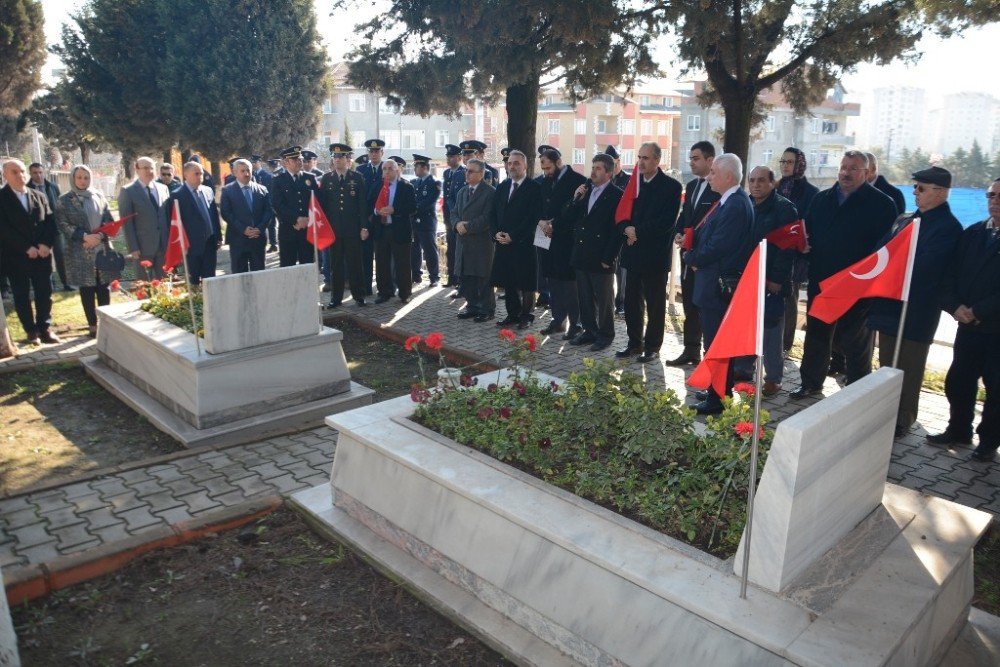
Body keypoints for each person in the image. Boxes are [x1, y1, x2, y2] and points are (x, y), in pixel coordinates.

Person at [790, 151, 898, 398]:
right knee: (817, 335)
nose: (846, 173)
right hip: (823, 281)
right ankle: (810, 383)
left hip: (856, 286)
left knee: (856, 340)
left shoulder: (881, 204)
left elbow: (884, 249)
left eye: (854, 168)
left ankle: (858, 391)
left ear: (866, 173)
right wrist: (805, 245)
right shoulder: (822, 199)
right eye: (843, 167)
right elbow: (809, 232)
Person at [869, 167, 963, 437]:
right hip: (890, 306)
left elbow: (928, 267)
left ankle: (903, 418)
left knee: (908, 368)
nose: (915, 192)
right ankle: (885, 411)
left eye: (921, 188)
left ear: (941, 193)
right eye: (915, 187)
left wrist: (894, 271)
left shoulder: (948, 227)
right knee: (887, 363)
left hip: (917, 311)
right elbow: (882, 250)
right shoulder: (906, 219)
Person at [931, 178, 1000, 462]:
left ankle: (989, 441)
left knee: (996, 389)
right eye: (991, 194)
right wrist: (955, 306)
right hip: (967, 326)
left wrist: (979, 310)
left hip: (995, 329)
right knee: (959, 380)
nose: (994, 200)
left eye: (999, 196)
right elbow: (949, 275)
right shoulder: (972, 233)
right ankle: (959, 429)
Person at [684, 154, 755, 414]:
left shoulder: (736, 204)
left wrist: (692, 257)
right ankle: (716, 390)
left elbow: (718, 245)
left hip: (717, 285)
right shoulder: (728, 201)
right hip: (712, 282)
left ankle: (718, 399)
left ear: (728, 176)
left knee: (716, 344)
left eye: (713, 172)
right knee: (713, 343)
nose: (709, 176)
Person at [615, 142, 683, 363]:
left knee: (655, 304)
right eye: (639, 157)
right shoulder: (632, 184)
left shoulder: (671, 187)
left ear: (657, 160)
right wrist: (626, 228)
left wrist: (637, 231)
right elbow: (622, 211)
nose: (641, 162)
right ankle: (635, 343)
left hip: (654, 254)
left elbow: (666, 222)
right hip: (633, 251)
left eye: (646, 158)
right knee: (632, 302)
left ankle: (653, 346)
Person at [746, 166, 799, 396]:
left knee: (771, 330)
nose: (755, 185)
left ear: (772, 183)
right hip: (747, 278)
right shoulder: (746, 204)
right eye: (752, 180)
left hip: (772, 281)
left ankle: (774, 378)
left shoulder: (784, 208)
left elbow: (787, 248)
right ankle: (744, 369)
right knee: (748, 326)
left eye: (761, 181)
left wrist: (777, 279)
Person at [565, 153, 624, 351]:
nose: (593, 171)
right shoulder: (586, 190)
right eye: (592, 167)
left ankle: (605, 334)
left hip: (602, 256)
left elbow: (617, 230)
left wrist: (610, 257)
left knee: (604, 299)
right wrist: (575, 198)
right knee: (585, 297)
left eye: (598, 168)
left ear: (608, 172)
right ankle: (589, 331)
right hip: (582, 252)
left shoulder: (617, 195)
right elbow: (569, 217)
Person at [668, 141, 719, 366]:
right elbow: (684, 217)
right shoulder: (691, 186)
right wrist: (678, 233)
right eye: (690, 158)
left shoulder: (717, 187)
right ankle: (690, 350)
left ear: (710, 161)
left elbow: (714, 224)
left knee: (705, 307)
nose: (691, 162)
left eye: (696, 158)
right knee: (689, 304)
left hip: (706, 259)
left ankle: (711, 355)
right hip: (687, 256)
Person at [0, 159, 59, 344]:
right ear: (5, 176)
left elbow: (50, 222)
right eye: (14, 172)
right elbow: (3, 229)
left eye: (22, 171)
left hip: (41, 256)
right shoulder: (2, 198)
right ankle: (31, 331)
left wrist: (45, 244)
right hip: (16, 257)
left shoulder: (38, 196)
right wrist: (26, 247)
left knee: (44, 292)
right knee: (21, 295)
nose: (20, 175)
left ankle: (45, 328)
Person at [55, 165, 116, 337]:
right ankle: (92, 325)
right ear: (73, 179)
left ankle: (106, 323)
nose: (83, 181)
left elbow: (108, 219)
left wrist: (100, 235)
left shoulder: (98, 195)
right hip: (80, 251)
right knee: (87, 288)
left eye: (86, 177)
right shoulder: (64, 200)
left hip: (100, 248)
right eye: (79, 177)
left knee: (104, 287)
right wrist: (84, 237)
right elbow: (63, 224)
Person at [490, 150, 543, 328]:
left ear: (525, 166)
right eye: (510, 163)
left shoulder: (534, 188)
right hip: (503, 243)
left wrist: (514, 235)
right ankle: (512, 314)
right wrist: (495, 233)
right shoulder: (502, 186)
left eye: (516, 163)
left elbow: (533, 218)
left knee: (527, 282)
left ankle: (527, 316)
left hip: (523, 243)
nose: (512, 166)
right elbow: (493, 214)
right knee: (508, 280)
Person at [538, 148, 587, 338]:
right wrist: (541, 221)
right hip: (545, 236)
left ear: (558, 162)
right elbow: (540, 206)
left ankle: (576, 323)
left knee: (569, 283)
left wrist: (555, 225)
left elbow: (576, 212)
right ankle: (557, 320)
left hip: (567, 239)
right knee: (552, 280)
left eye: (548, 168)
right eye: (543, 169)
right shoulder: (544, 181)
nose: (546, 172)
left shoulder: (577, 180)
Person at [776, 147, 819, 353]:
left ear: (799, 164)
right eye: (782, 162)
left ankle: (785, 344)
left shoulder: (810, 193)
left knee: (789, 298)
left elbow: (811, 224)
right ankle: (769, 340)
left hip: (795, 254)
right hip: (773, 250)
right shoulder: (774, 186)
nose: (785, 166)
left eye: (789, 162)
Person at [319, 143, 369, 308]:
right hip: (334, 231)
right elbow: (323, 206)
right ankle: (336, 297)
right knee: (336, 265)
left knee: (355, 264)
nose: (337, 159)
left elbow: (363, 204)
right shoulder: (327, 179)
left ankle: (359, 295)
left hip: (353, 230)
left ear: (348, 159)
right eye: (335, 157)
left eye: (340, 157)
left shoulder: (357, 178)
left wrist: (364, 227)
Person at [366, 158, 416, 304]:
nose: (387, 171)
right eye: (384, 169)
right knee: (382, 263)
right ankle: (384, 292)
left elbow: (413, 207)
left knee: (403, 264)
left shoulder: (406, 186)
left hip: (399, 230)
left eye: (390, 168)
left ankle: (404, 293)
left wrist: (394, 210)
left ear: (397, 170)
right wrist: (376, 211)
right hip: (381, 230)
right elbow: (369, 205)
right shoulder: (377, 186)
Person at [453, 159, 497, 322]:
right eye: (466, 170)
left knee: (482, 276)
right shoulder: (462, 192)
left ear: (481, 174)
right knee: (467, 275)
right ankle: (472, 306)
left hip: (481, 242)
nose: (467, 173)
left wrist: (468, 226)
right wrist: (457, 224)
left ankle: (487, 309)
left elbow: (487, 217)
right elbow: (454, 212)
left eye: (471, 171)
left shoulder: (490, 192)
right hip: (463, 242)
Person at [168, 161, 222, 284]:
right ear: (186, 175)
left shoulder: (208, 191)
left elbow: (213, 215)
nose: (200, 177)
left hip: (210, 243)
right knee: (193, 281)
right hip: (191, 246)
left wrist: (218, 236)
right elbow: (174, 223)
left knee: (210, 279)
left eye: (201, 173)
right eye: (196, 174)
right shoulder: (177, 195)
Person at [119, 156, 170, 280]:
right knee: (144, 286)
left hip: (163, 246)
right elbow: (127, 223)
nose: (149, 171)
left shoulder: (163, 189)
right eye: (145, 168)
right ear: (137, 170)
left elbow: (167, 217)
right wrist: (133, 247)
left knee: (165, 285)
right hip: (142, 248)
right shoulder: (128, 191)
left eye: (151, 168)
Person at [271, 145, 320, 267]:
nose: (299, 162)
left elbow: (317, 203)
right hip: (288, 230)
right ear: (286, 162)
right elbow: (277, 205)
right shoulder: (278, 180)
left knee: (308, 265)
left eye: (300, 159)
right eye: (295, 159)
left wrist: (308, 219)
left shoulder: (310, 178)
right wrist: (296, 219)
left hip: (307, 230)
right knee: (288, 267)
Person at [220, 158, 272, 273]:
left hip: (258, 239)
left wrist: (259, 228)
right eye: (242, 171)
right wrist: (243, 229)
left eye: (248, 170)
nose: (246, 173)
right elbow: (226, 213)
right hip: (238, 239)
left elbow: (268, 211)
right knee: (239, 275)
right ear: (235, 173)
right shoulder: (227, 191)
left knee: (259, 273)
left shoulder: (262, 190)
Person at [28, 163, 71, 292]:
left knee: (61, 256)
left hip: (56, 228)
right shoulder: (27, 189)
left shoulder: (52, 187)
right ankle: (49, 285)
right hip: (38, 231)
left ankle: (66, 283)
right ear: (30, 174)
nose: (38, 175)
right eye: (35, 173)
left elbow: (59, 206)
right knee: (44, 258)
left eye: (40, 172)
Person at [357, 139, 386, 294]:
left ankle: (383, 288)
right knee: (365, 255)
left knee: (382, 255)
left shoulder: (387, 168)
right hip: (366, 219)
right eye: (371, 151)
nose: (374, 154)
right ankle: (366, 287)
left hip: (382, 219)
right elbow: (359, 197)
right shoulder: (361, 170)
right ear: (368, 153)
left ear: (382, 153)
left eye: (377, 151)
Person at [605, 145, 631, 315]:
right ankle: (608, 301)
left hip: (621, 231)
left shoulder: (627, 180)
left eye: (613, 163)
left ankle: (621, 302)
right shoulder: (604, 179)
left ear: (618, 162)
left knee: (622, 270)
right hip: (606, 232)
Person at [409, 154, 441, 286]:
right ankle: (416, 275)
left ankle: (434, 276)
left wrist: (414, 208)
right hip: (413, 222)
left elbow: (429, 201)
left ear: (423, 167)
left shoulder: (434, 183)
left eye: (416, 166)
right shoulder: (413, 183)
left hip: (426, 222)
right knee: (414, 249)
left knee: (429, 250)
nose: (414, 169)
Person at [441, 144, 466, 290]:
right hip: (449, 218)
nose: (449, 159)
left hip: (460, 217)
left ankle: (459, 279)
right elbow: (447, 197)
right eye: (448, 157)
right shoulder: (446, 173)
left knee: (459, 249)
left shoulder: (463, 172)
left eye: (452, 157)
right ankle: (451, 277)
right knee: (450, 249)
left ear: (459, 158)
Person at [866, 152, 905, 216]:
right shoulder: (850, 190)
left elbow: (897, 223)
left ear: (873, 169)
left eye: (862, 168)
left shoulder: (894, 194)